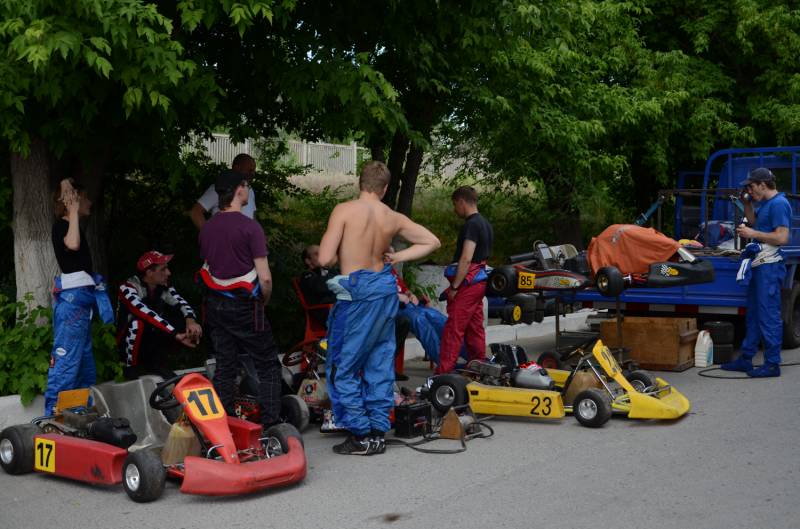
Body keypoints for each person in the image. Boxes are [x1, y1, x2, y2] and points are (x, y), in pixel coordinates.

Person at [318, 160, 440, 455]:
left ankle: (360, 434)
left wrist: (340, 254)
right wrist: (397, 257)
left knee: (343, 366)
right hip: (385, 294)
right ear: (385, 189)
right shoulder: (392, 217)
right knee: (379, 362)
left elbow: (323, 259)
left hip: (357, 298)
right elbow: (432, 241)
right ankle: (376, 432)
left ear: (360, 183)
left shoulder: (344, 211)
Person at [199, 169, 282, 431]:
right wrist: (264, 301)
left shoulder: (207, 228)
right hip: (246, 305)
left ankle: (223, 428)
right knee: (268, 364)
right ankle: (271, 426)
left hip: (215, 304)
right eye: (246, 185)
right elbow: (265, 278)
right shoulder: (250, 227)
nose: (248, 190)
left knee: (225, 366)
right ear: (239, 190)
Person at [44, 179, 113, 416]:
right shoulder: (62, 227)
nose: (90, 202)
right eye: (85, 198)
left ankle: (77, 415)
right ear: (71, 201)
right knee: (66, 364)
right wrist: (72, 209)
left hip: (81, 306)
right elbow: (72, 244)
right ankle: (53, 418)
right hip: (72, 306)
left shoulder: (73, 226)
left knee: (84, 366)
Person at [722, 168, 791, 377]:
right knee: (753, 313)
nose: (750, 191)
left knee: (768, 314)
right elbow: (755, 223)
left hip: (769, 267)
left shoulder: (779, 204)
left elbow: (782, 238)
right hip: (759, 266)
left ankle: (772, 364)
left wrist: (752, 233)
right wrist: (747, 204)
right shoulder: (766, 204)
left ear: (763, 184)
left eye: (751, 187)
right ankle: (746, 359)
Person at [117, 251, 203, 380]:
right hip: (127, 343)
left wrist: (191, 321)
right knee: (138, 324)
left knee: (182, 320)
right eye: (163, 269)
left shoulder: (163, 286)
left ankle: (160, 364)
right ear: (149, 273)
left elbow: (181, 303)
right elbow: (146, 314)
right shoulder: (128, 287)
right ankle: (130, 368)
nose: (169, 273)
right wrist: (175, 334)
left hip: (152, 337)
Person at [436, 186, 493, 375]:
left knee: (454, 329)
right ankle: (479, 369)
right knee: (475, 328)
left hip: (467, 284)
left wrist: (454, 287)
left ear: (461, 201)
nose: (455, 209)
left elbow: (466, 258)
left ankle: (442, 374)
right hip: (480, 282)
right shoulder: (485, 224)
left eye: (455, 204)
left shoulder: (472, 225)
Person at [190, 153, 257, 229]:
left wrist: (255, 233)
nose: (253, 174)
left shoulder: (250, 190)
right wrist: (210, 234)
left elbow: (253, 216)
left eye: (254, 171)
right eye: (250, 170)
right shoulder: (219, 187)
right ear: (236, 168)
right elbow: (195, 212)